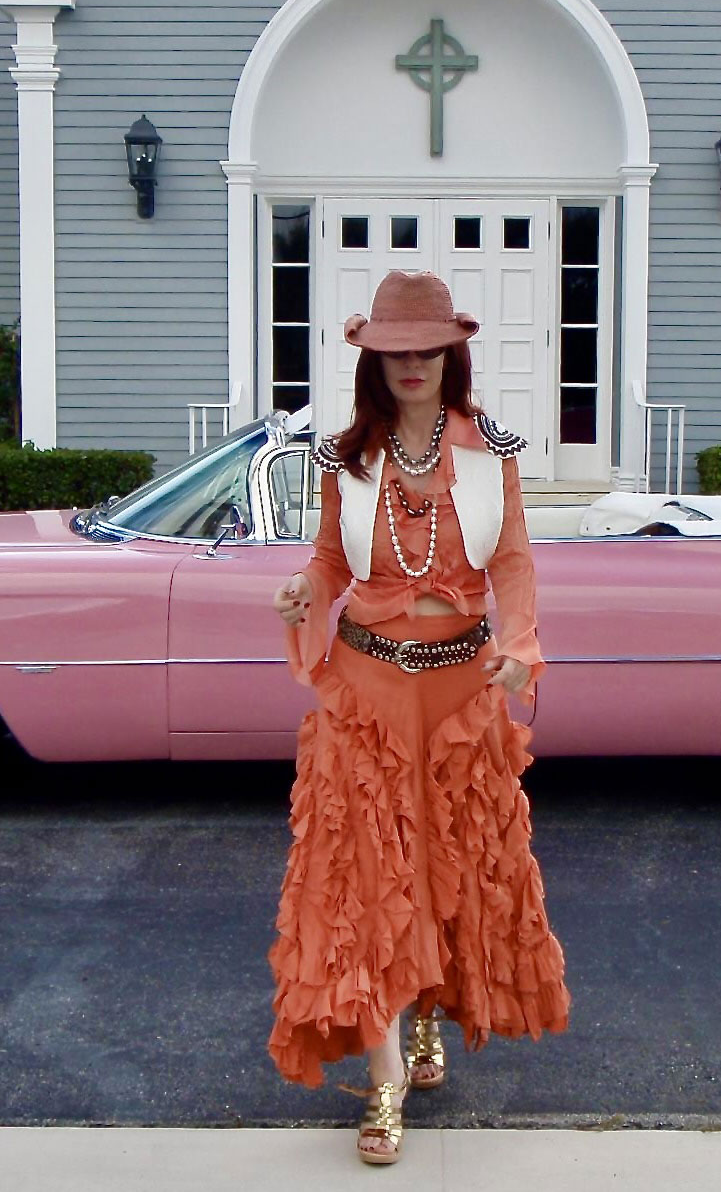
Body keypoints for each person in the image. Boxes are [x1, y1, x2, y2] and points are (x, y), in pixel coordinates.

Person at [268, 268, 571, 1164]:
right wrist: (304, 588)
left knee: (446, 865)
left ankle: (430, 1009)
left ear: (450, 355)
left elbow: (512, 562)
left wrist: (521, 643)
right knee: (368, 878)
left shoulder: (490, 452)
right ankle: (385, 1079)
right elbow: (331, 561)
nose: (412, 365)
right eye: (395, 351)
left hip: (459, 693)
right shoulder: (346, 458)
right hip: (366, 691)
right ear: (374, 361)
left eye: (427, 350)